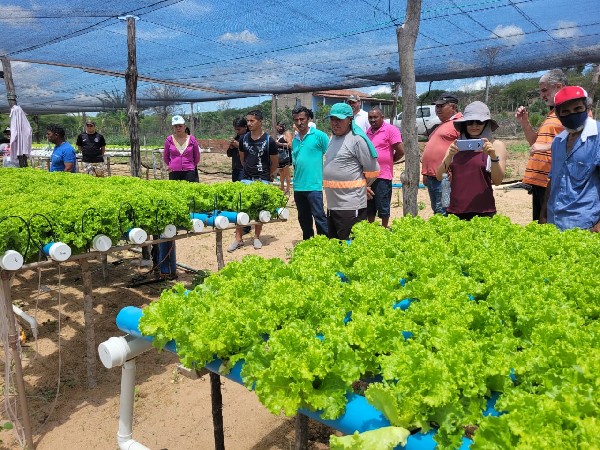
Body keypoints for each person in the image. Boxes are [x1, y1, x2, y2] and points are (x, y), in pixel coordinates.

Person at [540, 86, 600, 232]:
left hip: (585, 225)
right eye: (566, 111)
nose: (572, 114)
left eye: (578, 109)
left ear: (587, 107)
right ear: (558, 114)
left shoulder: (597, 136)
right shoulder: (558, 142)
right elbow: (553, 179)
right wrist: (544, 213)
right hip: (555, 222)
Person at [435, 101, 507, 220]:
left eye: (479, 122)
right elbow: (439, 176)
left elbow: (498, 181)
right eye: (470, 122)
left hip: (483, 209)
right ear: (465, 124)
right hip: (455, 209)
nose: (474, 126)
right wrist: (449, 156)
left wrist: (493, 156)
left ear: (486, 123)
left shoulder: (496, 145)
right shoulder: (456, 145)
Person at [515, 69, 567, 220]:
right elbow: (534, 142)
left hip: (553, 181)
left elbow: (579, 140)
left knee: (552, 224)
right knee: (540, 224)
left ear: (558, 86)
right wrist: (525, 123)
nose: (541, 95)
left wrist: (546, 147)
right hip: (540, 181)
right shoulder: (552, 113)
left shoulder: (573, 110)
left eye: (544, 90)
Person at [323, 103, 380, 240]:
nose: (335, 123)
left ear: (350, 120)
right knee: (336, 245)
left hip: (350, 206)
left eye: (339, 119)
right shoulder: (333, 138)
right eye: (332, 119)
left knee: (349, 245)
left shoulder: (357, 140)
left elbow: (373, 170)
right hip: (333, 205)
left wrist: (362, 186)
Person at [228, 109, 279, 252]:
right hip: (246, 179)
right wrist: (248, 170)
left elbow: (275, 162)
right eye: (248, 121)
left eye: (252, 121)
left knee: (259, 209)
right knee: (240, 208)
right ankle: (238, 239)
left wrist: (267, 174)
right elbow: (242, 158)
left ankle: (256, 237)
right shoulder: (244, 139)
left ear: (260, 122)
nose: (249, 123)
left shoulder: (269, 140)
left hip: (262, 179)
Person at [291, 106, 329, 240]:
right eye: (296, 120)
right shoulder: (295, 140)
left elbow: (331, 156)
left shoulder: (319, 136)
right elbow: (296, 163)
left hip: (314, 186)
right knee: (303, 218)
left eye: (302, 119)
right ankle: (309, 242)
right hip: (298, 186)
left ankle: (325, 243)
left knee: (319, 216)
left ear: (308, 119)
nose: (299, 122)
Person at [421, 92, 463, 215]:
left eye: (441, 106)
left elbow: (465, 151)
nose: (437, 109)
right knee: (437, 210)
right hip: (432, 177)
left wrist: (455, 170)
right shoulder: (442, 124)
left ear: (453, 107)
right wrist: (426, 173)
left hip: (445, 178)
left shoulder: (460, 123)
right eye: (437, 106)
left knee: (444, 210)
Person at [366, 107, 404, 228]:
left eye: (375, 117)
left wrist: (390, 161)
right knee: (369, 205)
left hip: (383, 175)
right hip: (369, 175)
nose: (372, 120)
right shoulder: (368, 131)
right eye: (370, 117)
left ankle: (384, 228)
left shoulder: (390, 130)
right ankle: (371, 228)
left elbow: (401, 151)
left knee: (383, 204)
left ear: (382, 117)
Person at [163, 115, 200, 182]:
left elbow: (197, 156)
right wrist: (171, 165)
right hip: (173, 171)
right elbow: (166, 157)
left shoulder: (192, 139)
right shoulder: (169, 140)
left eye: (180, 126)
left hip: (189, 172)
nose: (178, 128)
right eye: (175, 126)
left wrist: (191, 166)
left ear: (184, 127)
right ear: (173, 127)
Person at [226, 117, 248, 182]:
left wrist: (239, 146)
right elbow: (229, 154)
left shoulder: (249, 138)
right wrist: (231, 147)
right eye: (235, 129)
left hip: (244, 169)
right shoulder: (237, 138)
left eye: (239, 129)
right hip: (235, 168)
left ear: (245, 127)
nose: (237, 131)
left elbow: (252, 153)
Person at [275, 121, 293, 194]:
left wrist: (280, 144)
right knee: (281, 172)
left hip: (286, 155)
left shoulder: (287, 133)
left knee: (286, 172)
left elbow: (290, 145)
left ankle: (288, 188)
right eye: (278, 126)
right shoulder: (278, 134)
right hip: (279, 155)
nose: (279, 127)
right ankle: (282, 187)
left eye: (281, 126)